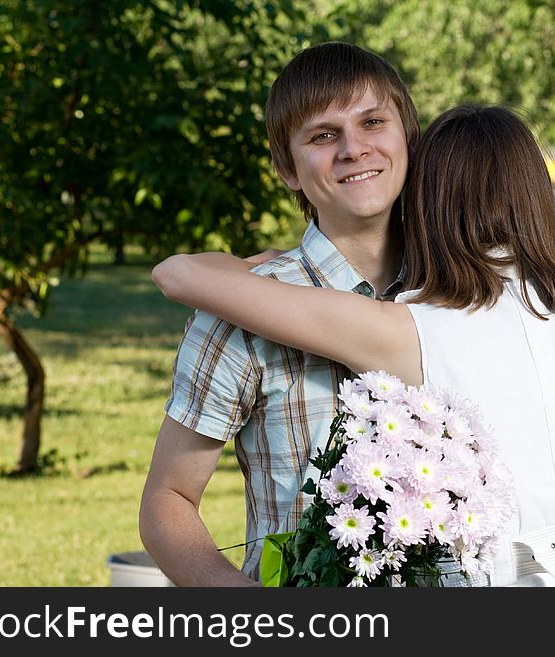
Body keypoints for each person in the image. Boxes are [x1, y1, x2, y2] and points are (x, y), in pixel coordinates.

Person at [152, 104, 555, 586]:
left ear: (429, 203)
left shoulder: (410, 327)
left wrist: (250, 268)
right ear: (538, 196)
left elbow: (179, 276)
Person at [138, 41, 419, 586]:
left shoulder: (451, 293)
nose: (353, 149)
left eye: (373, 122)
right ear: (288, 169)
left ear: (407, 136)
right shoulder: (240, 307)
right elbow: (167, 499)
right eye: (323, 135)